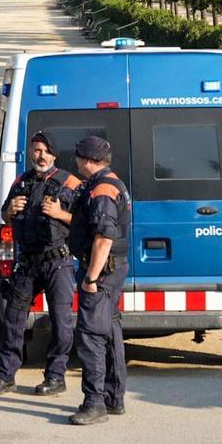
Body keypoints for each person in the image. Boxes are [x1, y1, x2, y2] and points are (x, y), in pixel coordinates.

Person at [0, 131, 81, 398]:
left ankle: (55, 377)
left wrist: (60, 213)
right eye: (35, 150)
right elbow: (5, 216)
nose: (38, 155)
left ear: (54, 154)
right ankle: (5, 377)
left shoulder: (70, 183)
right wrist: (9, 209)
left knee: (61, 323)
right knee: (13, 320)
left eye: (43, 151)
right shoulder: (21, 181)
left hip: (57, 262)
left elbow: (85, 222)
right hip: (27, 261)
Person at [67, 135, 131, 425]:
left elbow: (104, 238)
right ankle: (113, 398)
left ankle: (94, 403)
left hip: (102, 272)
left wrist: (91, 277)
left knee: (91, 335)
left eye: (79, 156)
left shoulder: (103, 190)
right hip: (113, 270)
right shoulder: (110, 182)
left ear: (86, 160)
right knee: (109, 331)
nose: (76, 160)